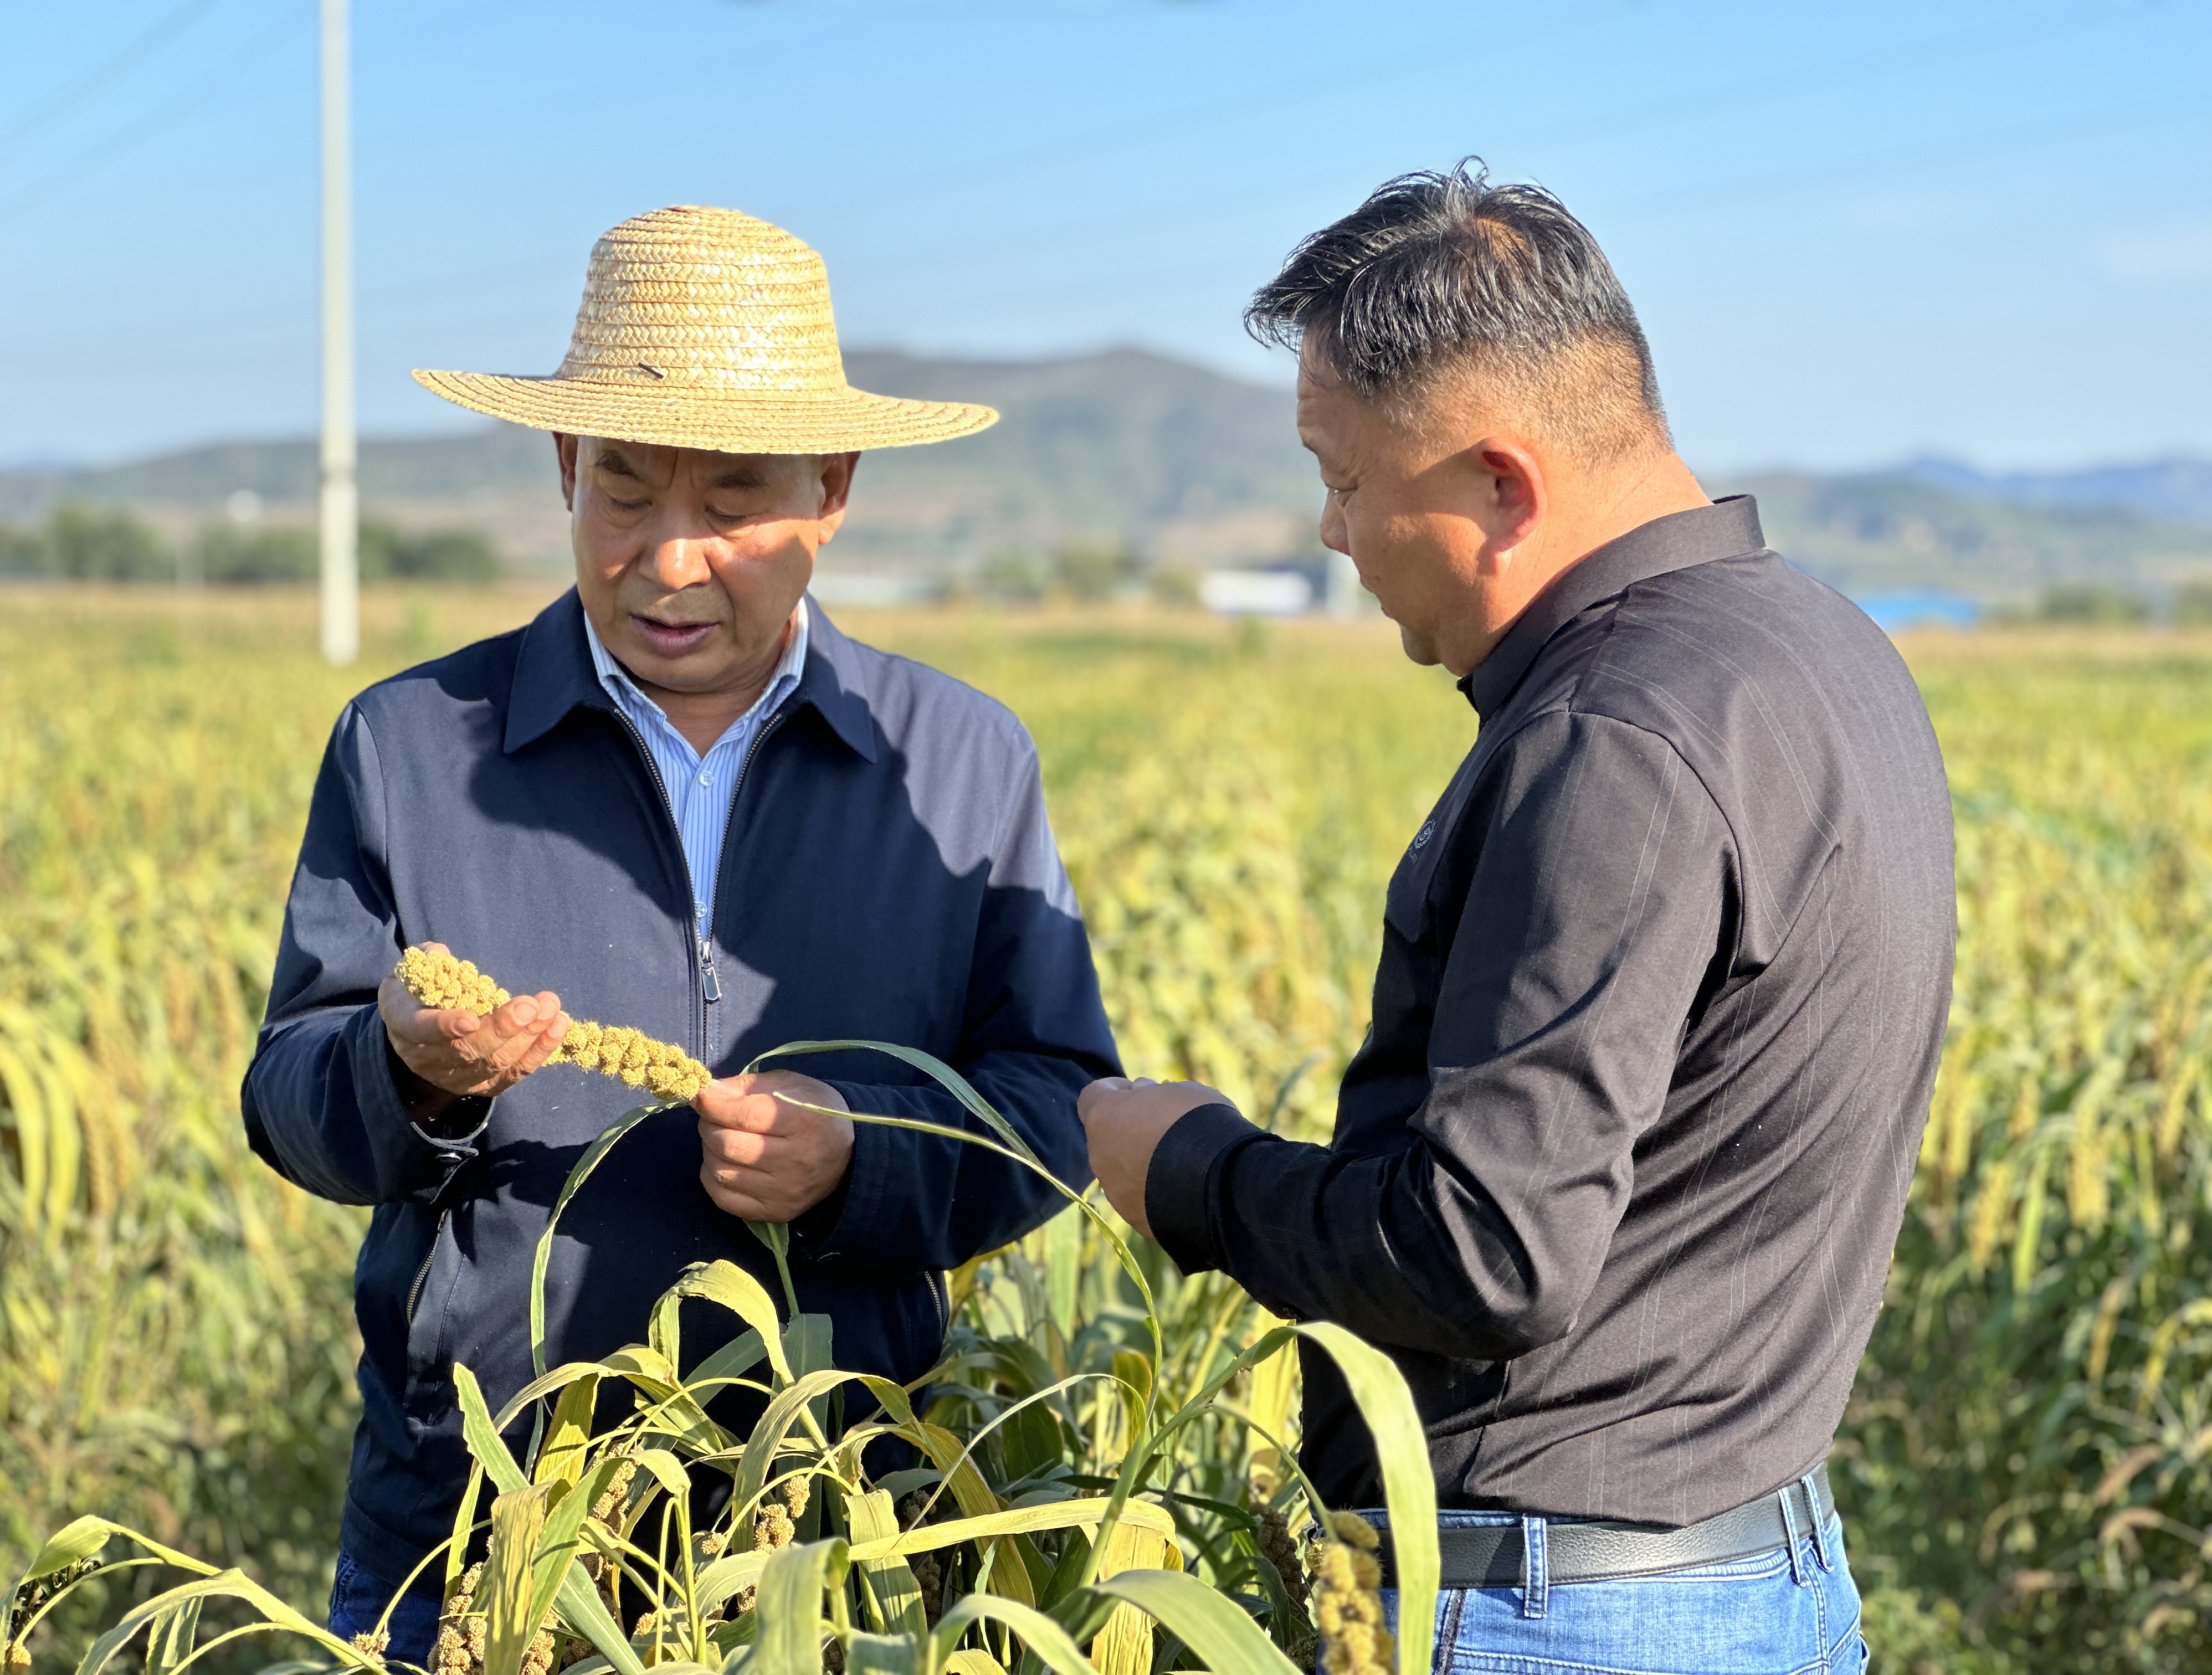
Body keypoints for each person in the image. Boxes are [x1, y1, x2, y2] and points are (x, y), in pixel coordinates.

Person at [1079, 164, 1953, 1673]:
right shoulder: (1820, 644)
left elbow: (1489, 1253)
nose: (1334, 532)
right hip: (1750, 1563)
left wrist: (1195, 1174)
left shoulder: (1613, 738)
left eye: (1346, 478)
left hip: (1560, 1609)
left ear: (1501, 482)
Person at [243, 205, 1118, 1661]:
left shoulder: (960, 765)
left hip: (834, 1560)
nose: (671, 559)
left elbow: (1054, 1105)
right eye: (627, 491)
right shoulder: (408, 745)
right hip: (476, 1558)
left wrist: (860, 1161)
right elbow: (287, 1094)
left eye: (735, 500)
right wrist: (405, 1078)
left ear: (833, 491)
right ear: (564, 467)